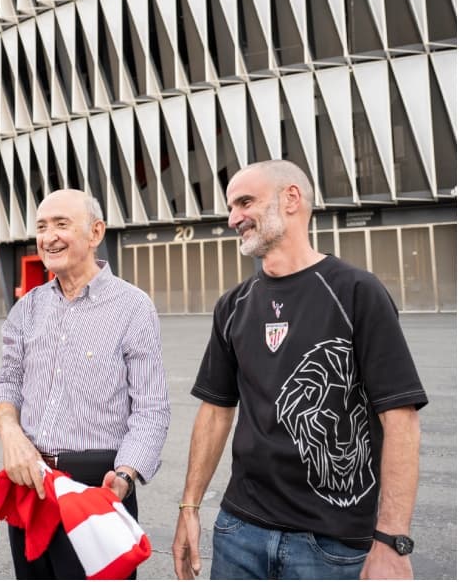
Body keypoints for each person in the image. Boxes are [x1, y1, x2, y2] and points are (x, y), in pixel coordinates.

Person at [172, 160, 427, 580]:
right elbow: (216, 412)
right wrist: (189, 507)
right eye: (231, 206)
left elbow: (400, 420)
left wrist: (391, 541)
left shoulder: (357, 292)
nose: (233, 217)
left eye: (245, 202)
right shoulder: (232, 305)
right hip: (239, 532)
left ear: (291, 199)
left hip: (334, 545)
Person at [0, 189, 169, 579]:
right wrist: (10, 434)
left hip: (97, 489)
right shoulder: (27, 308)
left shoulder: (133, 307)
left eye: (61, 224)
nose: (48, 236)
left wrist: (125, 475)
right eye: (41, 226)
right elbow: (6, 385)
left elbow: (151, 408)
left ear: (96, 232)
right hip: (31, 486)